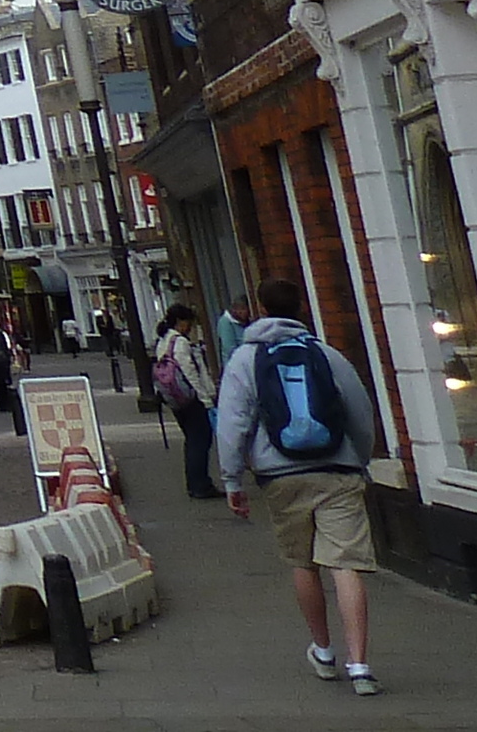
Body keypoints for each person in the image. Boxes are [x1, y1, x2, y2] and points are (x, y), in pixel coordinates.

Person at [211, 275, 387, 699]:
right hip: (337, 468)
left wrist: (232, 479)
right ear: (302, 308)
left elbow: (233, 423)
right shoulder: (326, 354)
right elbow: (360, 411)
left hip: (281, 474)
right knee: (346, 564)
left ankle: (324, 652)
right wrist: (359, 460)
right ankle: (360, 665)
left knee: (303, 562)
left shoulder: (245, 359)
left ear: (260, 308)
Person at [156, 302, 222, 500]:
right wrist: (204, 397)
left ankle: (194, 483)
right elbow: (190, 372)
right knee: (200, 441)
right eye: (188, 323)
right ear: (180, 322)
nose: (190, 327)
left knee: (192, 440)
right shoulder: (180, 342)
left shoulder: (163, 341)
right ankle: (200, 484)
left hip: (175, 399)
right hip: (191, 398)